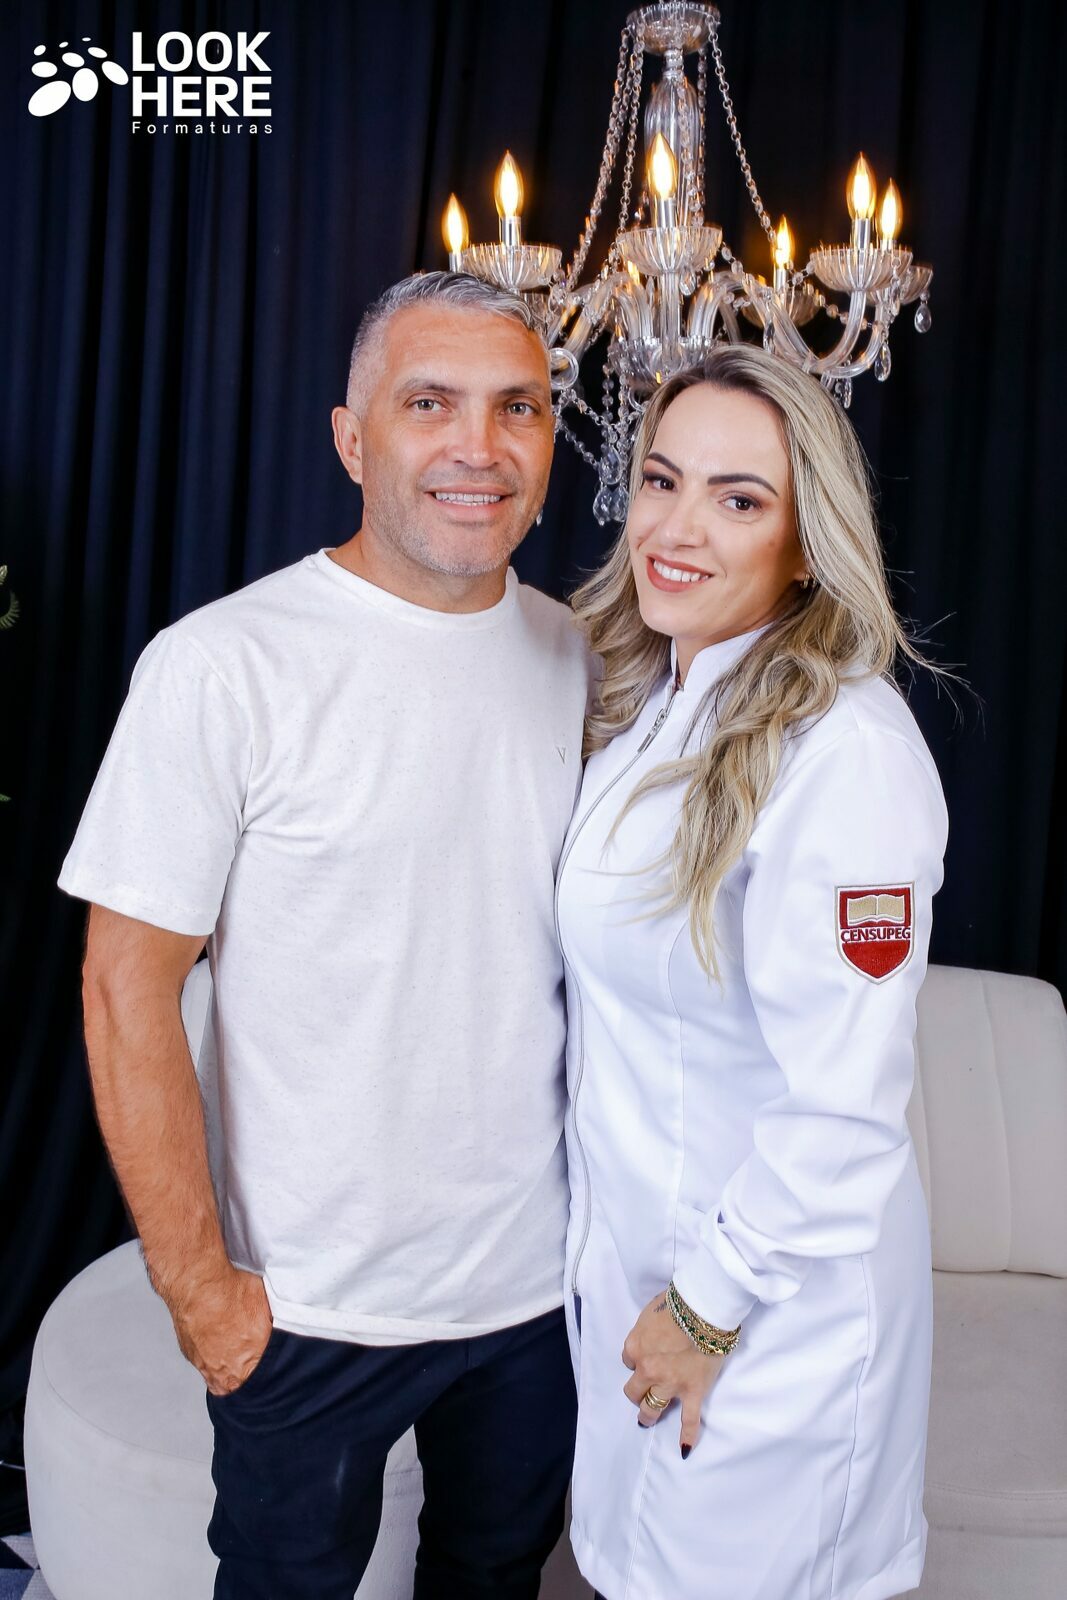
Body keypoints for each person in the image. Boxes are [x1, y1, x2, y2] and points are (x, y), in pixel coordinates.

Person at [58, 271, 593, 1600]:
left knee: (495, 1577)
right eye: (429, 404)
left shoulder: (582, 658)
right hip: (307, 1308)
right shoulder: (222, 666)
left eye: (517, 408)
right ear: (353, 440)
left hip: (537, 1298)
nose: (478, 446)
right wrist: (203, 1295)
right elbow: (125, 989)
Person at [556, 344, 949, 1600]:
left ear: (804, 542)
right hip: (644, 1287)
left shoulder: (844, 752)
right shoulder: (647, 704)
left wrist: (705, 1307)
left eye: (737, 499)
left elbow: (842, 1104)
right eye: (661, 480)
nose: (676, 530)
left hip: (766, 1317)